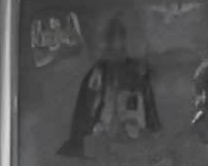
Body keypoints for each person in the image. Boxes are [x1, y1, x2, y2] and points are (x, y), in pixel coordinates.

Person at [60, 14, 159, 158]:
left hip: (132, 131)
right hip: (103, 130)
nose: (115, 43)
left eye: (118, 37)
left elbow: (147, 103)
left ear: (123, 40)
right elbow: (88, 104)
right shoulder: (99, 70)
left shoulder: (136, 68)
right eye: (111, 37)